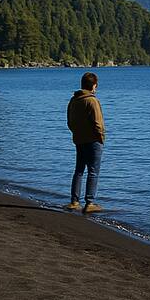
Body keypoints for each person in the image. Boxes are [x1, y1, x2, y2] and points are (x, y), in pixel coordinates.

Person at [65, 72, 105, 213]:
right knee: (93, 172)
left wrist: (76, 133)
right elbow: (98, 123)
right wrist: (101, 138)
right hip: (93, 140)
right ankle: (90, 203)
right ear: (94, 86)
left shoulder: (74, 100)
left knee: (79, 171)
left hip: (79, 139)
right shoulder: (92, 101)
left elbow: (69, 122)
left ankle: (74, 201)